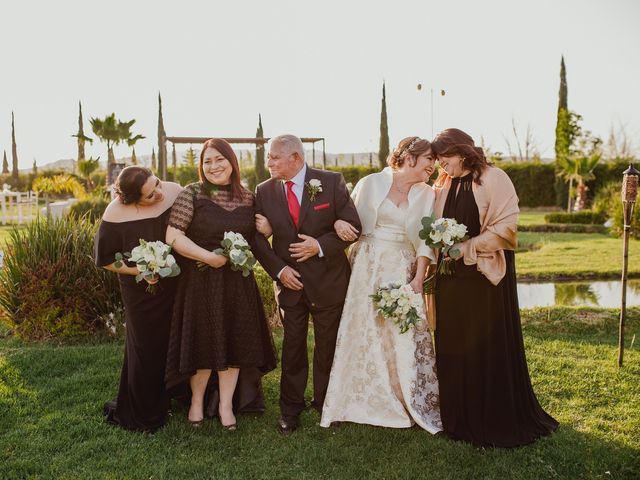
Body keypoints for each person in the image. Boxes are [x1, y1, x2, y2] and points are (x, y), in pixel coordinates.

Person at [431, 128, 559, 447]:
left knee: (483, 345)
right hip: (450, 280)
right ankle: (457, 418)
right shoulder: (443, 183)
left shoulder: (494, 177)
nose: (441, 166)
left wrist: (467, 248)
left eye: (444, 159)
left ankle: (491, 418)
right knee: (453, 342)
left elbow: (507, 228)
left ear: (461, 153)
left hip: (484, 278)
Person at [320, 137, 442, 432]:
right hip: (366, 266)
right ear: (410, 157)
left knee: (398, 331)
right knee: (363, 328)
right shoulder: (371, 182)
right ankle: (358, 396)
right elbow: (346, 218)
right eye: (429, 159)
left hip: (402, 266)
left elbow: (426, 240)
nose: (433, 166)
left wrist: (417, 278)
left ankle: (403, 396)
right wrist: (337, 224)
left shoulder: (429, 194)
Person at [164, 138, 276, 430]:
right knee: (201, 343)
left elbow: (257, 238)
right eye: (207, 161)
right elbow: (173, 235)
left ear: (232, 162)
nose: (213, 166)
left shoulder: (249, 197)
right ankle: (197, 402)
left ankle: (227, 405)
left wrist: (269, 229)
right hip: (200, 280)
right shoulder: (193, 193)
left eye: (219, 160)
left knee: (236, 343)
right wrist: (207, 257)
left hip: (238, 284)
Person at [252, 134, 361, 434]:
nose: (269, 162)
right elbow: (257, 239)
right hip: (290, 284)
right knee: (293, 347)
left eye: (274, 157)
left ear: (296, 158)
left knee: (327, 347)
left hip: (329, 282)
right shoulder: (264, 191)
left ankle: (326, 402)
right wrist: (279, 271)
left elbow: (354, 226)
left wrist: (320, 245)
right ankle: (290, 409)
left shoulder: (331, 181)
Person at [94, 166, 183, 433]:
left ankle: (176, 394)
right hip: (140, 292)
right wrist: (141, 271)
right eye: (148, 195)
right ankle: (145, 408)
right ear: (130, 200)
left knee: (176, 339)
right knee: (146, 347)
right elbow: (106, 259)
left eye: (156, 184)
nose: (158, 193)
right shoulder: (115, 212)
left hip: (178, 283)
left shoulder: (174, 190)